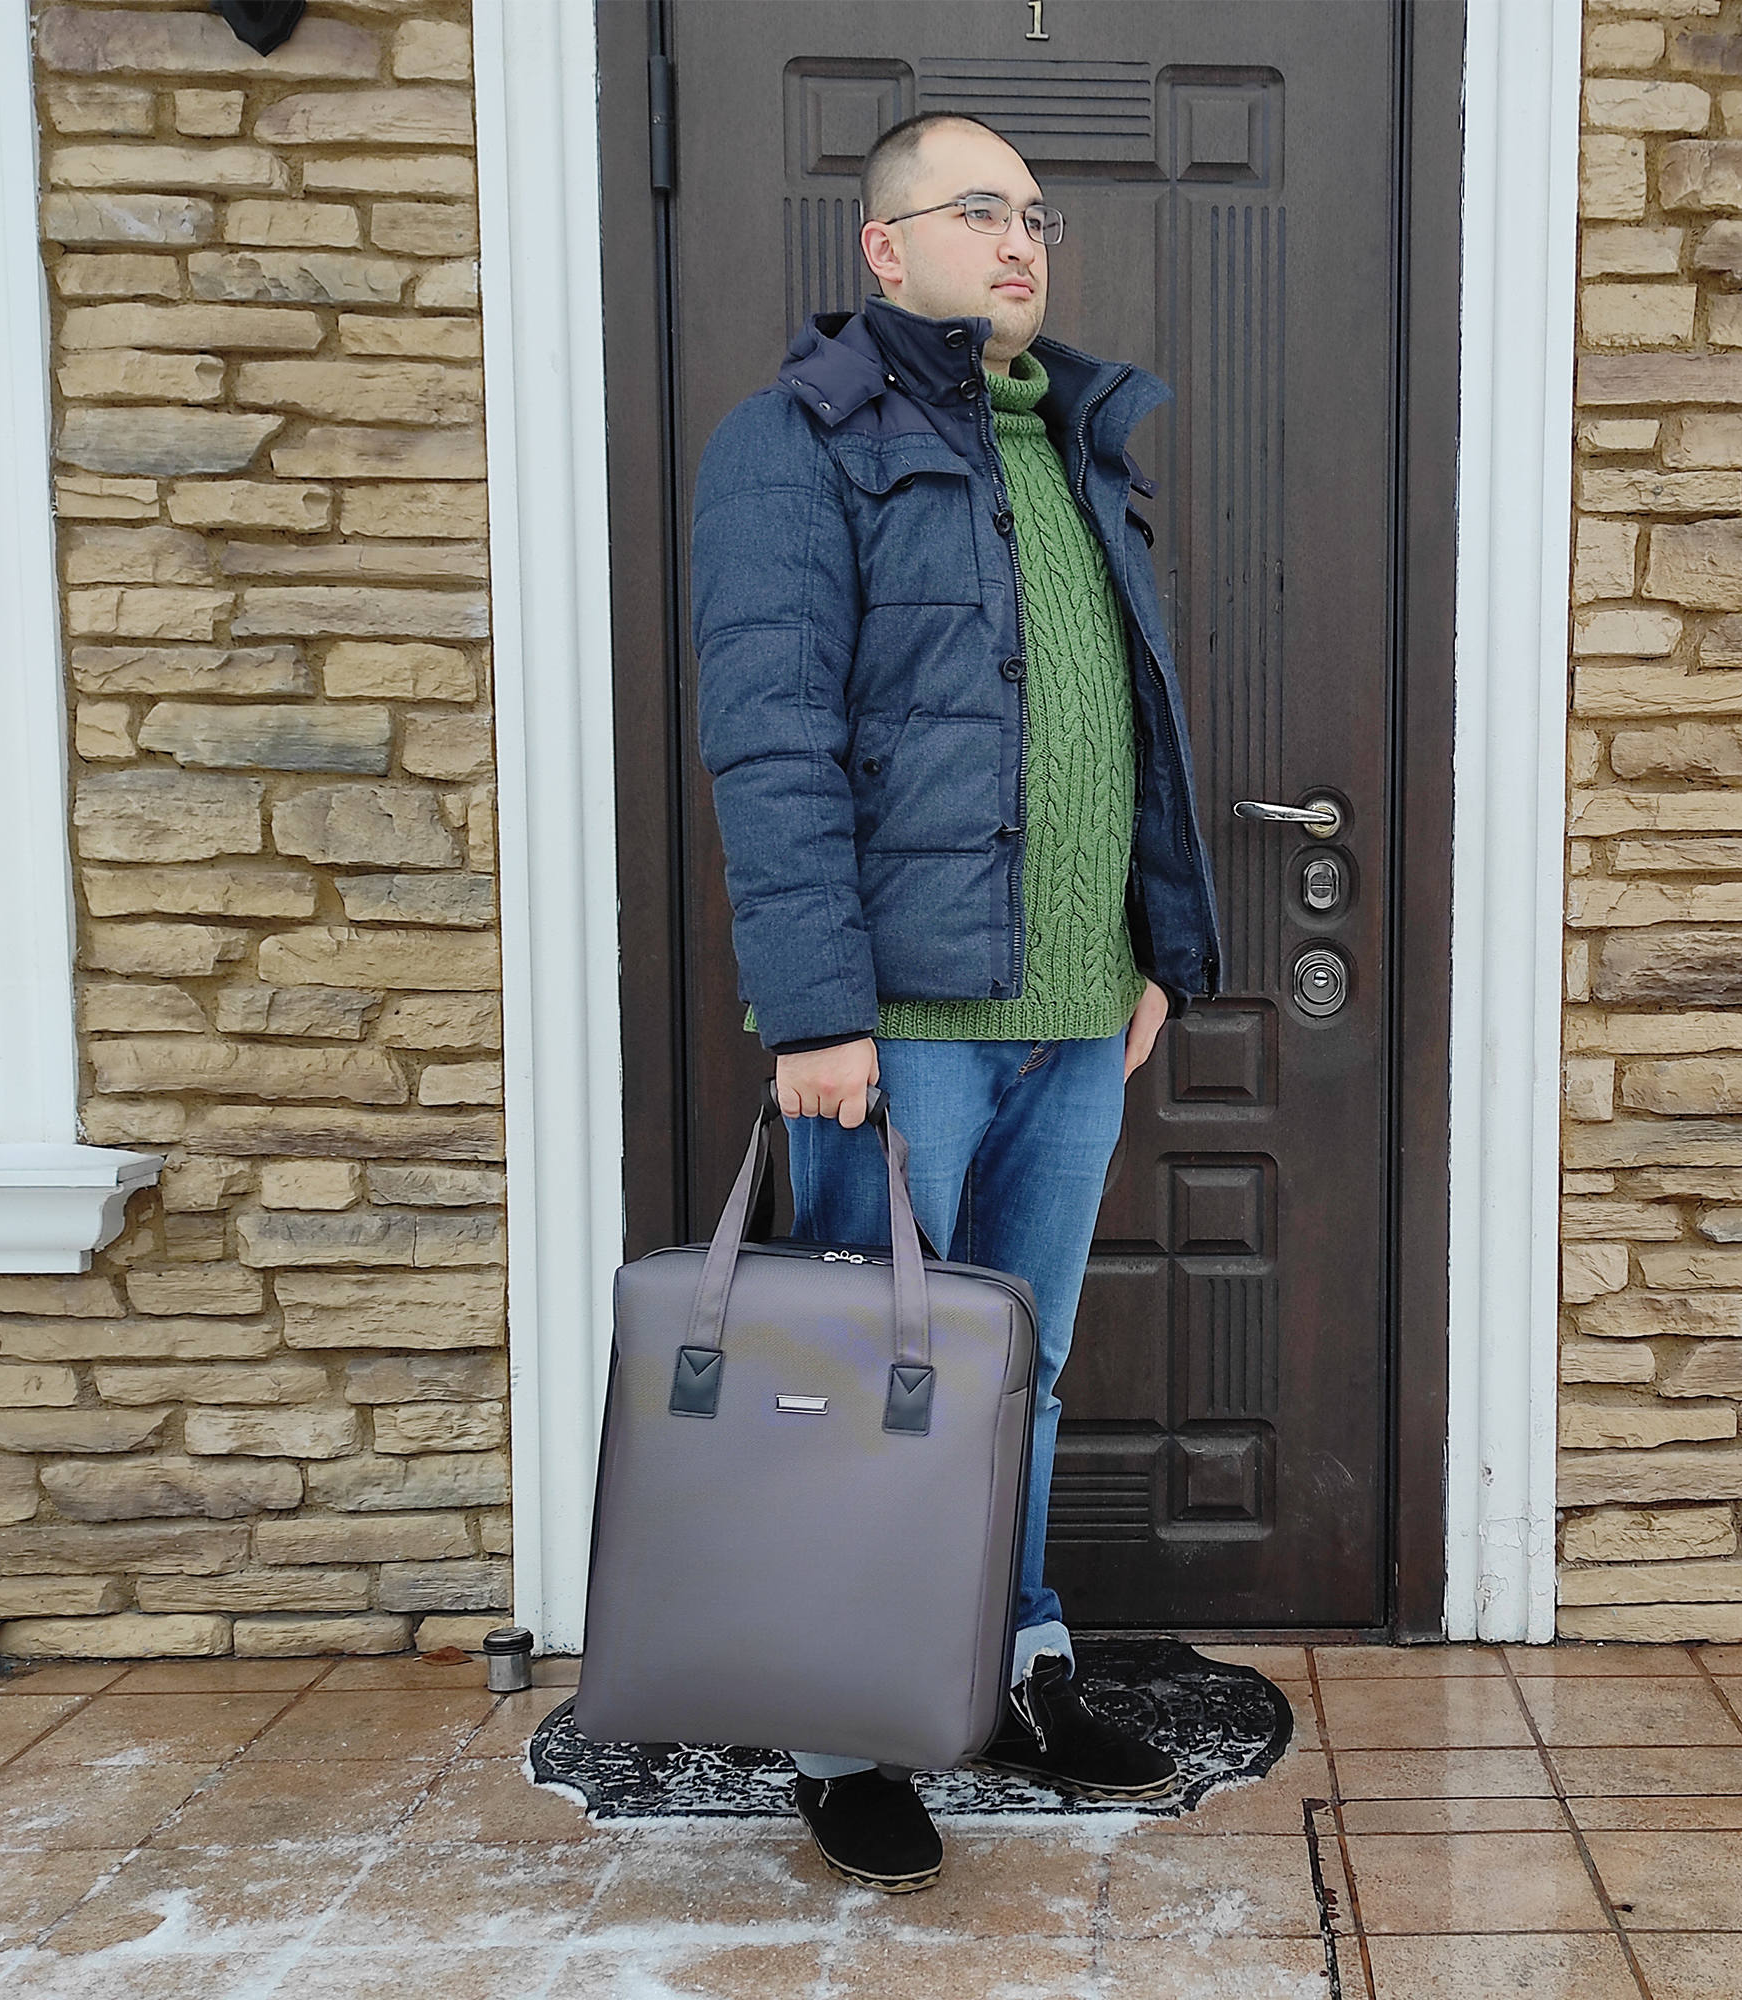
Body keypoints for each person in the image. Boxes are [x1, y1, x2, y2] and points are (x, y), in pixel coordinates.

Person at [689, 109, 1223, 1893]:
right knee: (872, 1381)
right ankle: (846, 1727)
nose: (1019, 242)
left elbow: (1122, 716)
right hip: (899, 1031)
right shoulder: (792, 443)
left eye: (1036, 216)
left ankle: (1014, 1664)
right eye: (979, 209)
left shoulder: (1071, 439)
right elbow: (771, 738)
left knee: (1023, 1370)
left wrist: (1148, 951)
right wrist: (811, 1014)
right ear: (884, 245)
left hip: (1075, 1019)